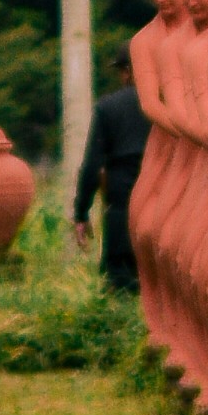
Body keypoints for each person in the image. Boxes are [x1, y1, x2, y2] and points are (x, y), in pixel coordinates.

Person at [73, 77, 150, 295]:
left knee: (120, 278)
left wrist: (81, 212)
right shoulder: (167, 104)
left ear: (125, 72)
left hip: (121, 194)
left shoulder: (108, 107)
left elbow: (92, 165)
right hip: (162, 190)